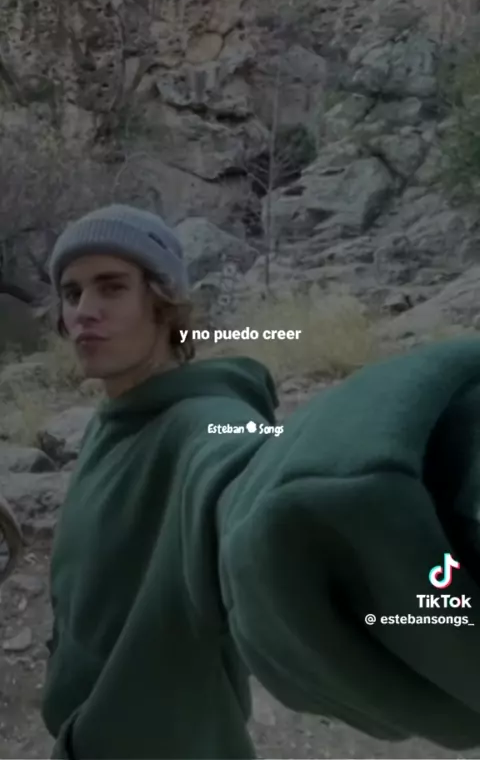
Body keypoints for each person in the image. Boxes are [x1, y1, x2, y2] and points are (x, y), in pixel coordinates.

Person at [42, 203, 480, 759]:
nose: (84, 311)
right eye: (72, 293)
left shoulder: (204, 422)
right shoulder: (112, 421)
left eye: (111, 287)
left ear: (163, 303)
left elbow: (242, 485)